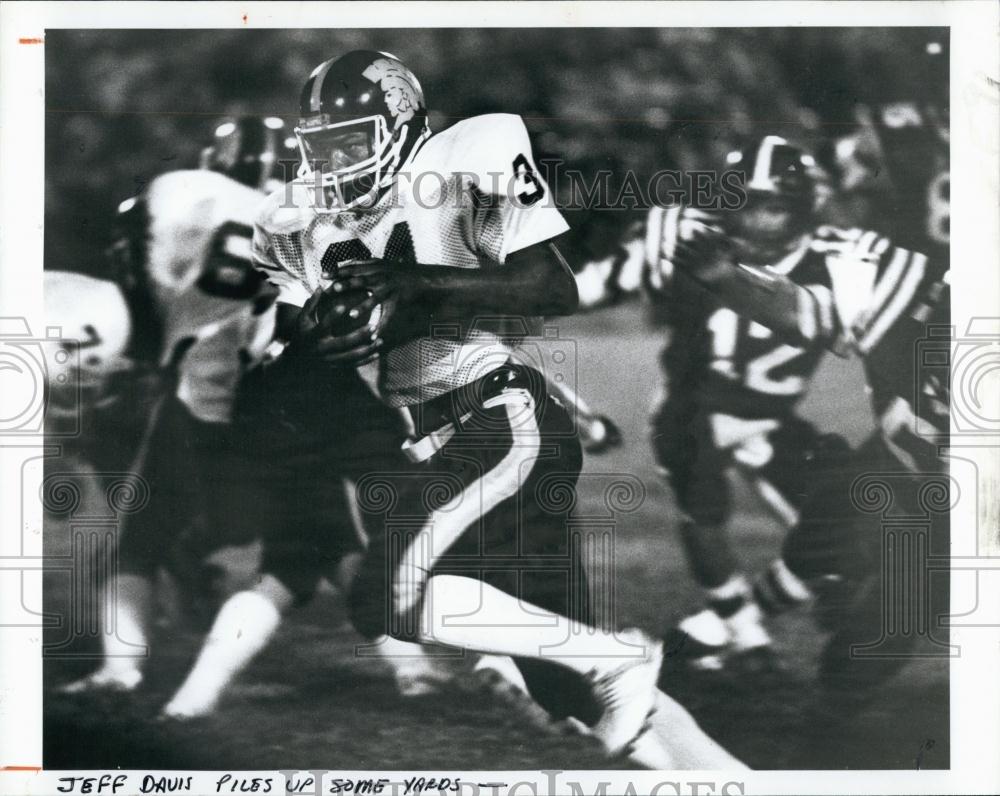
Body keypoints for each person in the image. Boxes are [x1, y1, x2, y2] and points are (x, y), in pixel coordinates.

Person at [250, 49, 742, 768]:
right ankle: (733, 777)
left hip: (498, 422)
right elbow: (292, 372)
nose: (334, 165)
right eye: (321, 148)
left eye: (352, 142)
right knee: (564, 689)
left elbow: (550, 285)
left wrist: (409, 286)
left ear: (401, 125)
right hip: (444, 444)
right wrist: (319, 338)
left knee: (386, 599)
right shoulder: (299, 221)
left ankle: (617, 659)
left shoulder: (463, 159)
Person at [643, 136, 857, 670]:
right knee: (704, 511)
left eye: (775, 207)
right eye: (747, 205)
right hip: (698, 408)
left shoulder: (838, 259)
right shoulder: (693, 245)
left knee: (845, 521)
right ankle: (742, 633)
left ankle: (723, 626)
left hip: (771, 416)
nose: (759, 222)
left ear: (802, 211)